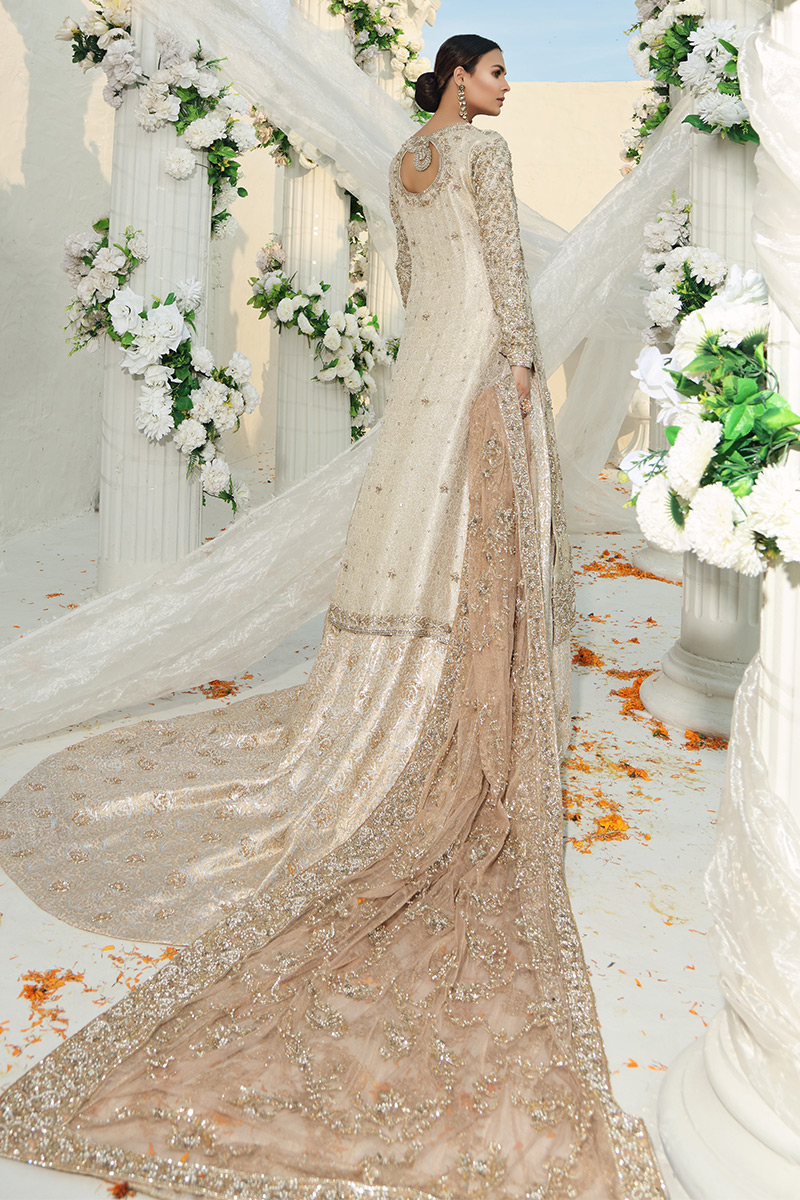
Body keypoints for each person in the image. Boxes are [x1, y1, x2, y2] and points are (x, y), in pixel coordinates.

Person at [0, 34, 665, 1199]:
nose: (506, 89)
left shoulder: (406, 160)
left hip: (423, 369)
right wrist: (517, 368)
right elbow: (501, 272)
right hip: (476, 366)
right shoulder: (483, 158)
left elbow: (415, 279)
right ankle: (452, 696)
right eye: (493, 72)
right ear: (455, 77)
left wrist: (446, 353)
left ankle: (386, 696)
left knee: (410, 522)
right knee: (479, 528)